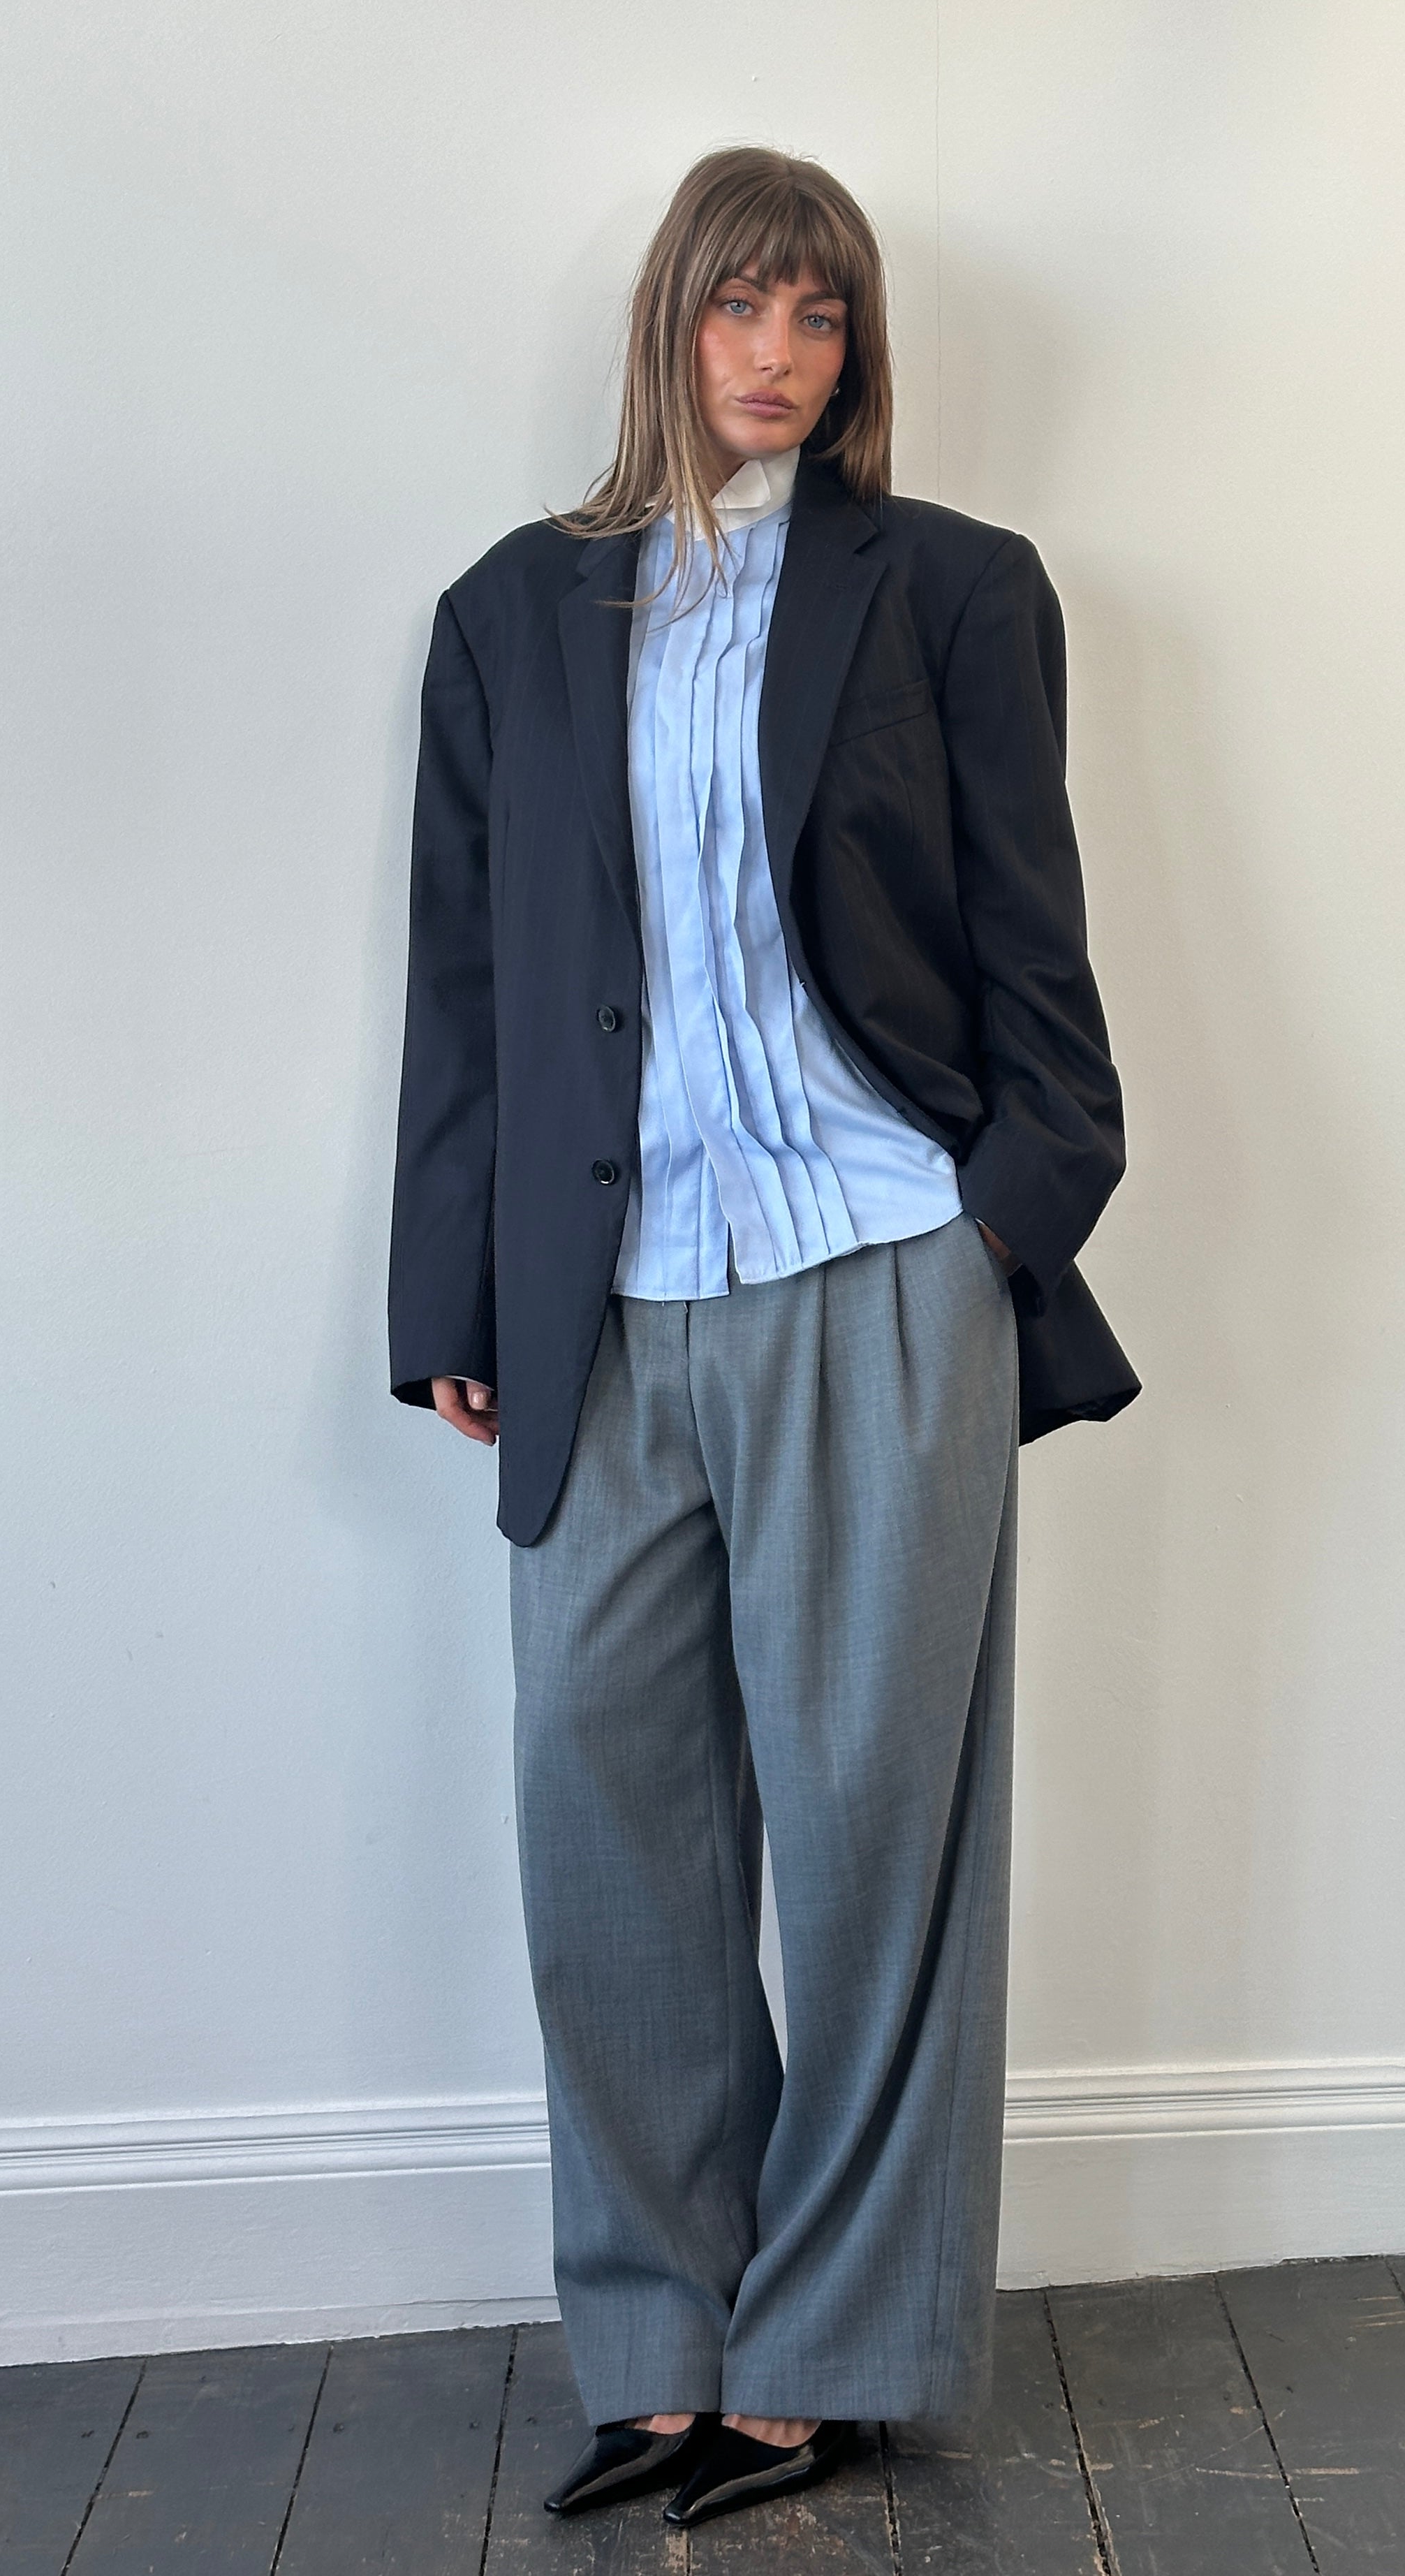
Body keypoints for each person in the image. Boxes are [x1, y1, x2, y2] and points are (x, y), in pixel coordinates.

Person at [389, 145, 1136, 2533]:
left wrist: (1004, 1226)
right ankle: (660, 2343)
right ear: (671, 323)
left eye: (821, 315)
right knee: (600, 1815)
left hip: (882, 1266)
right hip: (604, 1301)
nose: (781, 355)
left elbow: (1034, 948)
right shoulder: (513, 613)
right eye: (742, 308)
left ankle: (824, 2356)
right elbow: (468, 991)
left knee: (871, 1832)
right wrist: (449, 1298)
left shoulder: (955, 591)